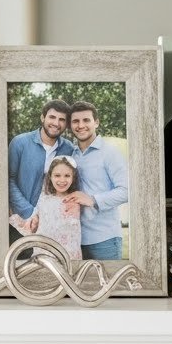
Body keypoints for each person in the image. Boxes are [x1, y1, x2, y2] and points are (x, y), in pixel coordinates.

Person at [65, 101, 129, 261]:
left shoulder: (109, 153)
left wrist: (93, 199)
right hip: (76, 239)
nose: (81, 125)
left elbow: (128, 191)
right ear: (70, 125)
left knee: (109, 285)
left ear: (96, 122)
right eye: (75, 121)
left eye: (86, 120)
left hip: (104, 239)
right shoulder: (71, 155)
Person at [8, 99, 75, 243]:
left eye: (62, 119)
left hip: (52, 223)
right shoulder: (19, 143)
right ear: (42, 117)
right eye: (52, 117)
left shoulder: (69, 148)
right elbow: (8, 180)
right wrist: (29, 212)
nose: (56, 123)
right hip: (19, 220)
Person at [11, 155, 82, 259]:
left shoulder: (76, 199)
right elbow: (36, 223)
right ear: (50, 177)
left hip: (70, 256)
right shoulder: (44, 200)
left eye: (67, 176)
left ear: (73, 178)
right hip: (45, 255)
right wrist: (32, 220)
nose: (62, 180)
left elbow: (74, 233)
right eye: (57, 175)